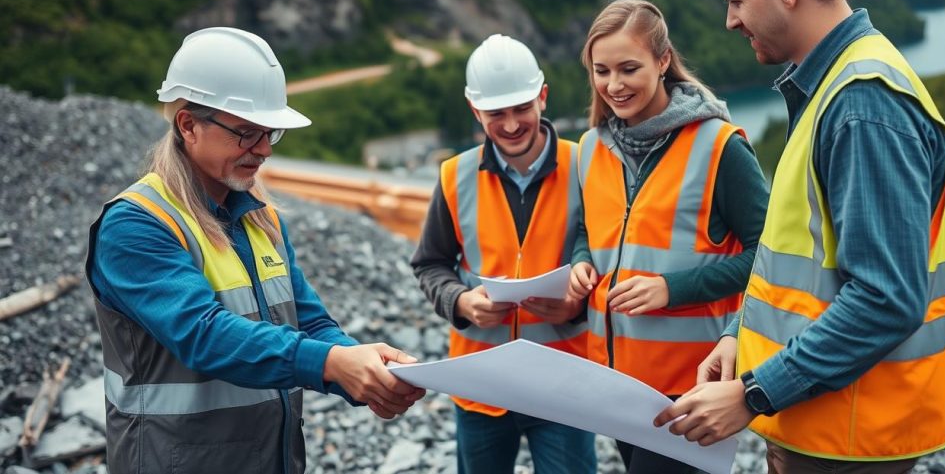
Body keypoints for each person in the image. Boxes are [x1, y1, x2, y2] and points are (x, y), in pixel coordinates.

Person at [654, 0, 945, 473]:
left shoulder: (862, 106)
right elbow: (794, 265)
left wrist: (752, 394)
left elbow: (885, 299)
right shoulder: (831, 88)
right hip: (823, 423)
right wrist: (740, 342)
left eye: (737, 0)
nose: (730, 20)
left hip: (851, 437)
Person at [86, 27, 425, 474]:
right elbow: (203, 335)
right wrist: (332, 364)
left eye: (270, 133)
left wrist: (365, 375)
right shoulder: (136, 224)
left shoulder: (259, 217)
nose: (264, 150)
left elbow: (309, 320)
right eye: (247, 133)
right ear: (188, 125)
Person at [569, 0, 768, 473]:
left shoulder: (720, 146)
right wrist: (581, 261)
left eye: (629, 68)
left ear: (662, 62)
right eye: (602, 71)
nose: (614, 85)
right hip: (616, 384)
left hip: (691, 388)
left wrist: (672, 289)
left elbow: (770, 256)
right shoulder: (591, 147)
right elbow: (587, 228)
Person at [411, 34, 597, 474]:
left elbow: (609, 259)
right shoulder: (454, 176)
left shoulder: (587, 166)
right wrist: (460, 301)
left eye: (521, 109)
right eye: (496, 113)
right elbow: (430, 263)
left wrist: (576, 304)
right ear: (475, 110)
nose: (511, 124)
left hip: (563, 384)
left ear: (543, 98)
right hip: (481, 385)